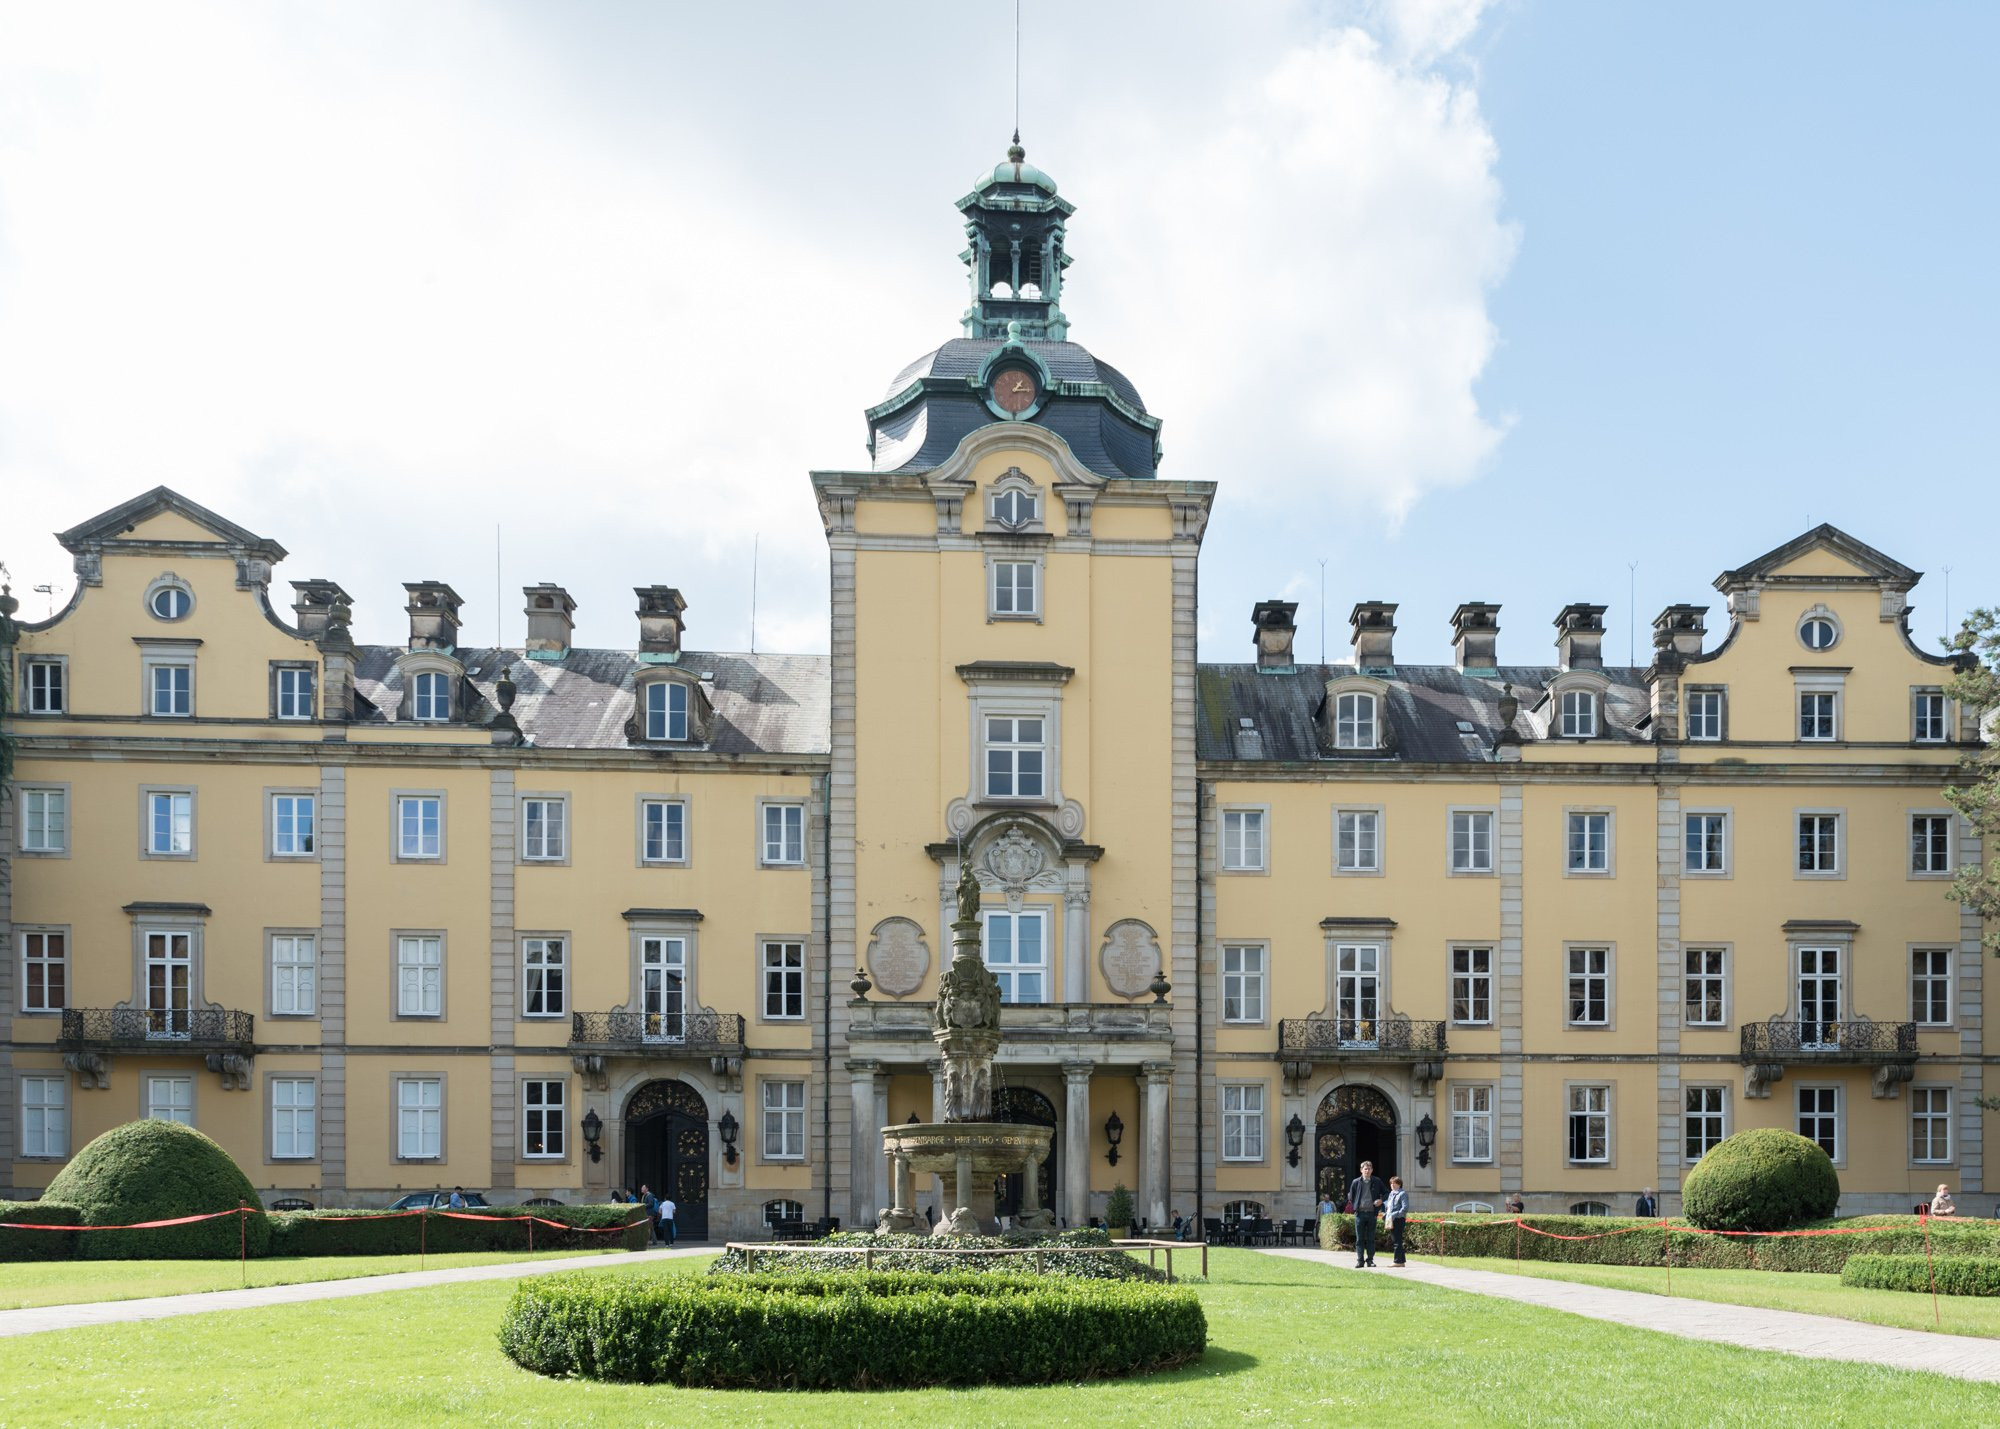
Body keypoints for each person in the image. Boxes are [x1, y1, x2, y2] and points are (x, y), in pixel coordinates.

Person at [1346, 1160, 1389, 1269]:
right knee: (1359, 1239)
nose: (1367, 1170)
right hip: (1360, 1214)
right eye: (1365, 1169)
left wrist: (1380, 1200)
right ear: (1361, 1170)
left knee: (1371, 1239)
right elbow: (1351, 1196)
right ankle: (1360, 1261)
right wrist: (1356, 1206)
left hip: (1372, 1214)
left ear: (1372, 1170)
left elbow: (1387, 1193)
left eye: (1369, 1168)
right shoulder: (1356, 1182)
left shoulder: (1377, 1181)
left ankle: (1370, 1260)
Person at [1385, 1175, 1410, 1266]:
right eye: (1391, 1183)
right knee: (1396, 1240)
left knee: (1397, 1241)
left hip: (1398, 1220)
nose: (1392, 1185)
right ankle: (1401, 1261)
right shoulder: (1391, 1194)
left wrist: (1395, 1215)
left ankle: (1397, 1261)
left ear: (1399, 1184)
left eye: (1394, 1183)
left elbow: (1405, 1208)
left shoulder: (1402, 1194)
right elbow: (1389, 1206)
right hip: (1390, 1219)